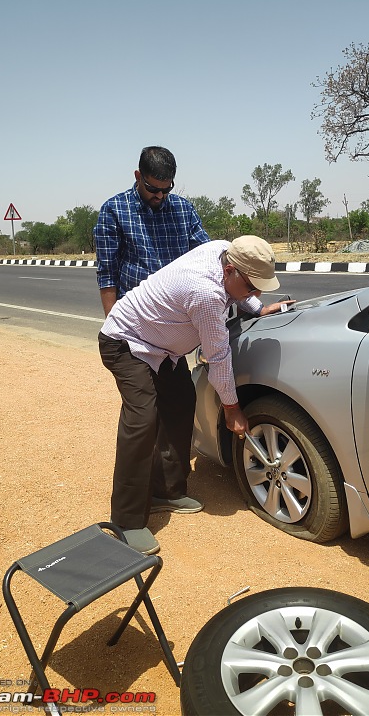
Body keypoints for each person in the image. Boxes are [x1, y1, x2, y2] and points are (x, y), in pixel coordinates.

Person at [98, 235, 293, 554]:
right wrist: (232, 409)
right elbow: (218, 356)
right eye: (251, 287)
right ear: (229, 271)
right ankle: (126, 522)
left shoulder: (224, 250)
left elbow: (242, 292)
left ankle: (167, 490)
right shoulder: (205, 292)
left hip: (163, 349)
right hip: (127, 343)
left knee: (180, 404)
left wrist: (258, 307)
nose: (254, 293)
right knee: (143, 420)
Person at [94, 145, 209, 315]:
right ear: (138, 176)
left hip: (179, 314)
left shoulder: (183, 209)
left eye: (166, 189)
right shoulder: (114, 210)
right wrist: (112, 328)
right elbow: (108, 274)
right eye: (153, 189)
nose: (160, 196)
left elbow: (209, 256)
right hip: (136, 317)